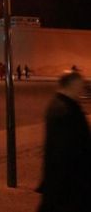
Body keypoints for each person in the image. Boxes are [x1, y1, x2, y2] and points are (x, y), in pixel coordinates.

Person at [36, 71, 91, 212]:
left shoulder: (65, 104)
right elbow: (63, 150)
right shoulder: (63, 109)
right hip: (69, 180)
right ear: (71, 86)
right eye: (79, 86)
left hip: (68, 179)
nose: (82, 90)